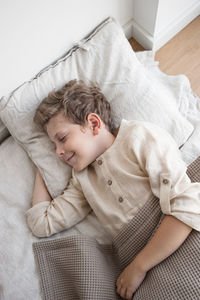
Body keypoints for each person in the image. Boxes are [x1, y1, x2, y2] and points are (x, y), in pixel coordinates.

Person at [26, 79, 200, 300]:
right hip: (145, 275)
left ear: (94, 124)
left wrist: (139, 266)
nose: (58, 152)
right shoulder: (82, 180)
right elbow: (42, 223)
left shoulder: (138, 137)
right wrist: (42, 167)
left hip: (180, 239)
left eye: (62, 139)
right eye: (53, 147)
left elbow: (187, 207)